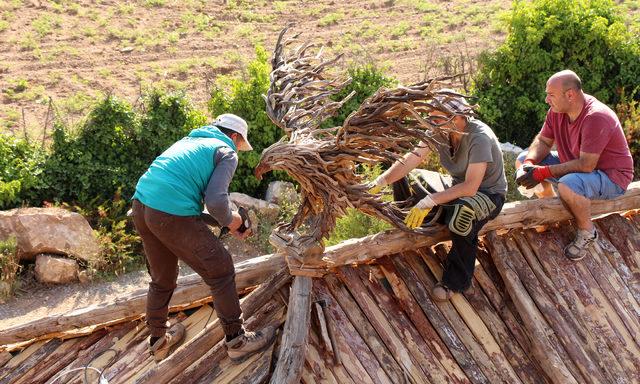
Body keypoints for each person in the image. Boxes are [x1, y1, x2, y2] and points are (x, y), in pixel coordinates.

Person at [131, 113, 276, 363]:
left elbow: (192, 201)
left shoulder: (190, 141)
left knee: (162, 278)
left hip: (142, 206)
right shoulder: (226, 151)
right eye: (240, 144)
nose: (238, 150)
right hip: (168, 211)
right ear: (234, 136)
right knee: (221, 270)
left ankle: (158, 342)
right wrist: (234, 221)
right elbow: (216, 201)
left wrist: (228, 222)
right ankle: (237, 340)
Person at [369, 90, 507, 301]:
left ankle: (456, 281)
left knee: (461, 214)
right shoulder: (439, 131)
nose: (433, 122)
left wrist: (430, 200)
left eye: (438, 117)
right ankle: (411, 221)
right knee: (409, 177)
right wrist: (380, 181)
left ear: (459, 118)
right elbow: (410, 160)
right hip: (456, 185)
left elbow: (470, 187)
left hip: (487, 194)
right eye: (431, 117)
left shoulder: (479, 137)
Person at [515, 70, 634, 261]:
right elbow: (544, 142)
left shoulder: (596, 116)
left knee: (568, 184)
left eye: (551, 95)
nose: (546, 99)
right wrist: (529, 164)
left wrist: (543, 172)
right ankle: (550, 213)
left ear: (570, 95)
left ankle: (587, 231)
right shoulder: (557, 111)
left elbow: (586, 165)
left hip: (612, 177)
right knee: (522, 159)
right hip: (578, 166)